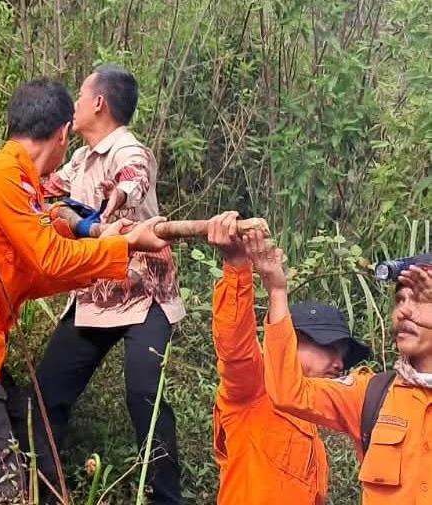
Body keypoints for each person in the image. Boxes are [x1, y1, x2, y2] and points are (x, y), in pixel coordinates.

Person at [0, 78, 177, 505]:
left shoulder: (22, 180)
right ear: (63, 133)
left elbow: (36, 275)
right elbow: (49, 258)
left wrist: (106, 249)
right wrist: (121, 244)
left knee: (38, 456)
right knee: (3, 492)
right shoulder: (1, 174)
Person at [34, 65, 185, 504]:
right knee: (46, 395)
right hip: (95, 293)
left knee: (144, 393)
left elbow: (133, 178)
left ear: (98, 103)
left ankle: (166, 499)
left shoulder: (128, 148)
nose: (75, 104)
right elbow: (44, 189)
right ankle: (42, 491)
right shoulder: (80, 160)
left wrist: (112, 203)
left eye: (80, 95)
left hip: (144, 295)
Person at [250, 231, 432, 504]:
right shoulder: (371, 395)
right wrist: (277, 292)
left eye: (421, 300)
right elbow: (288, 391)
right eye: (400, 300)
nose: (405, 311)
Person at [206, 211, 369, 504]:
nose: (339, 363)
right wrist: (237, 265)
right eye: (330, 347)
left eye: (343, 356)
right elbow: (234, 347)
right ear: (291, 338)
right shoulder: (255, 388)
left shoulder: (312, 427)